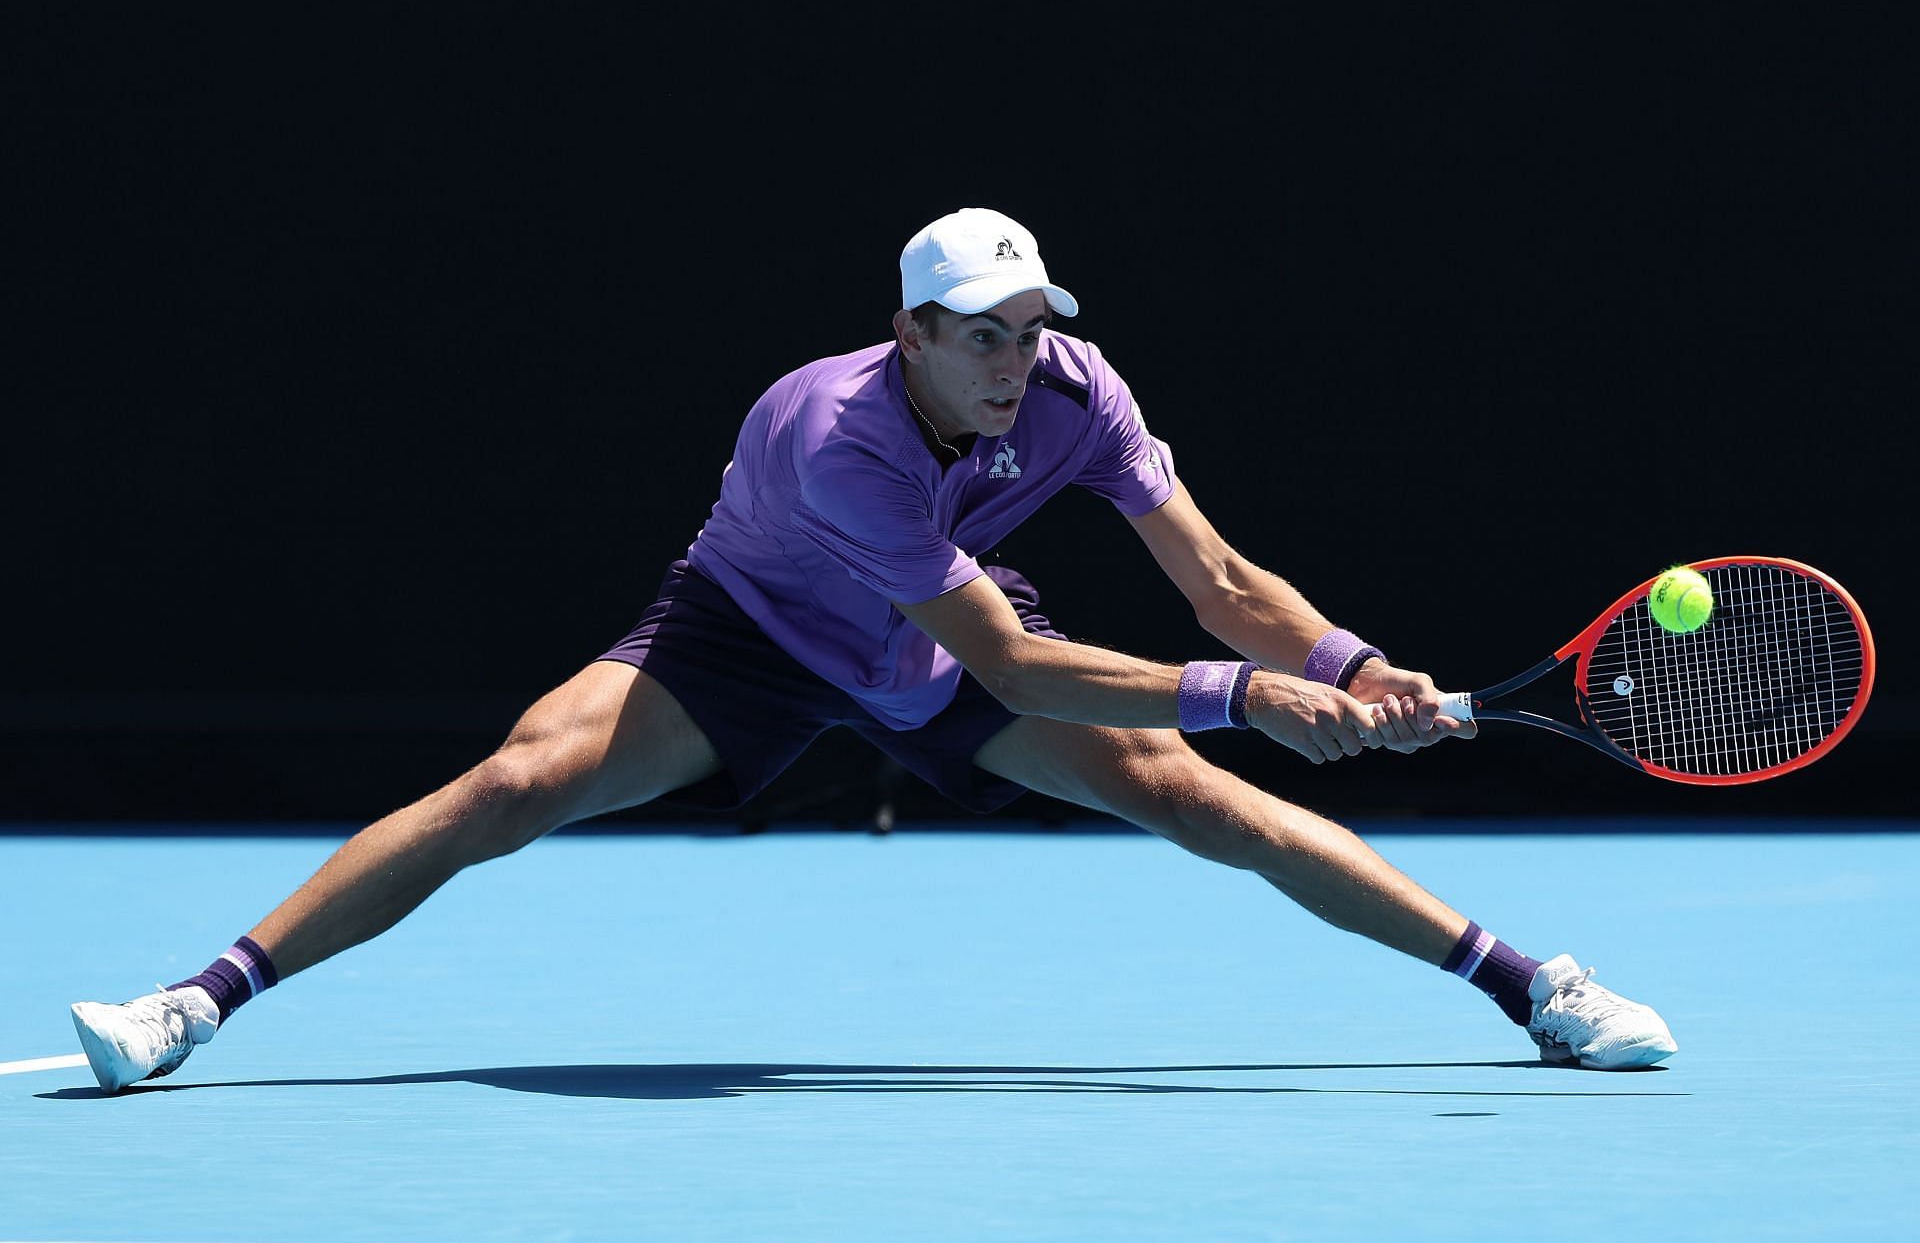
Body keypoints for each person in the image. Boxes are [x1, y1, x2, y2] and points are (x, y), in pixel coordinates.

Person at [69, 208, 1676, 1093]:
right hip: (756, 631)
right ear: (908, 330)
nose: (1012, 358)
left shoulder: (1076, 390)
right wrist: (1260, 699)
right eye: (980, 332)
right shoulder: (836, 437)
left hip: (938, 629)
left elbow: (1221, 576)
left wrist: (1348, 662)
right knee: (518, 782)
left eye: (1028, 325)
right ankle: (194, 1005)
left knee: (1216, 809)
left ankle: (1536, 990)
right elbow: (1022, 670)